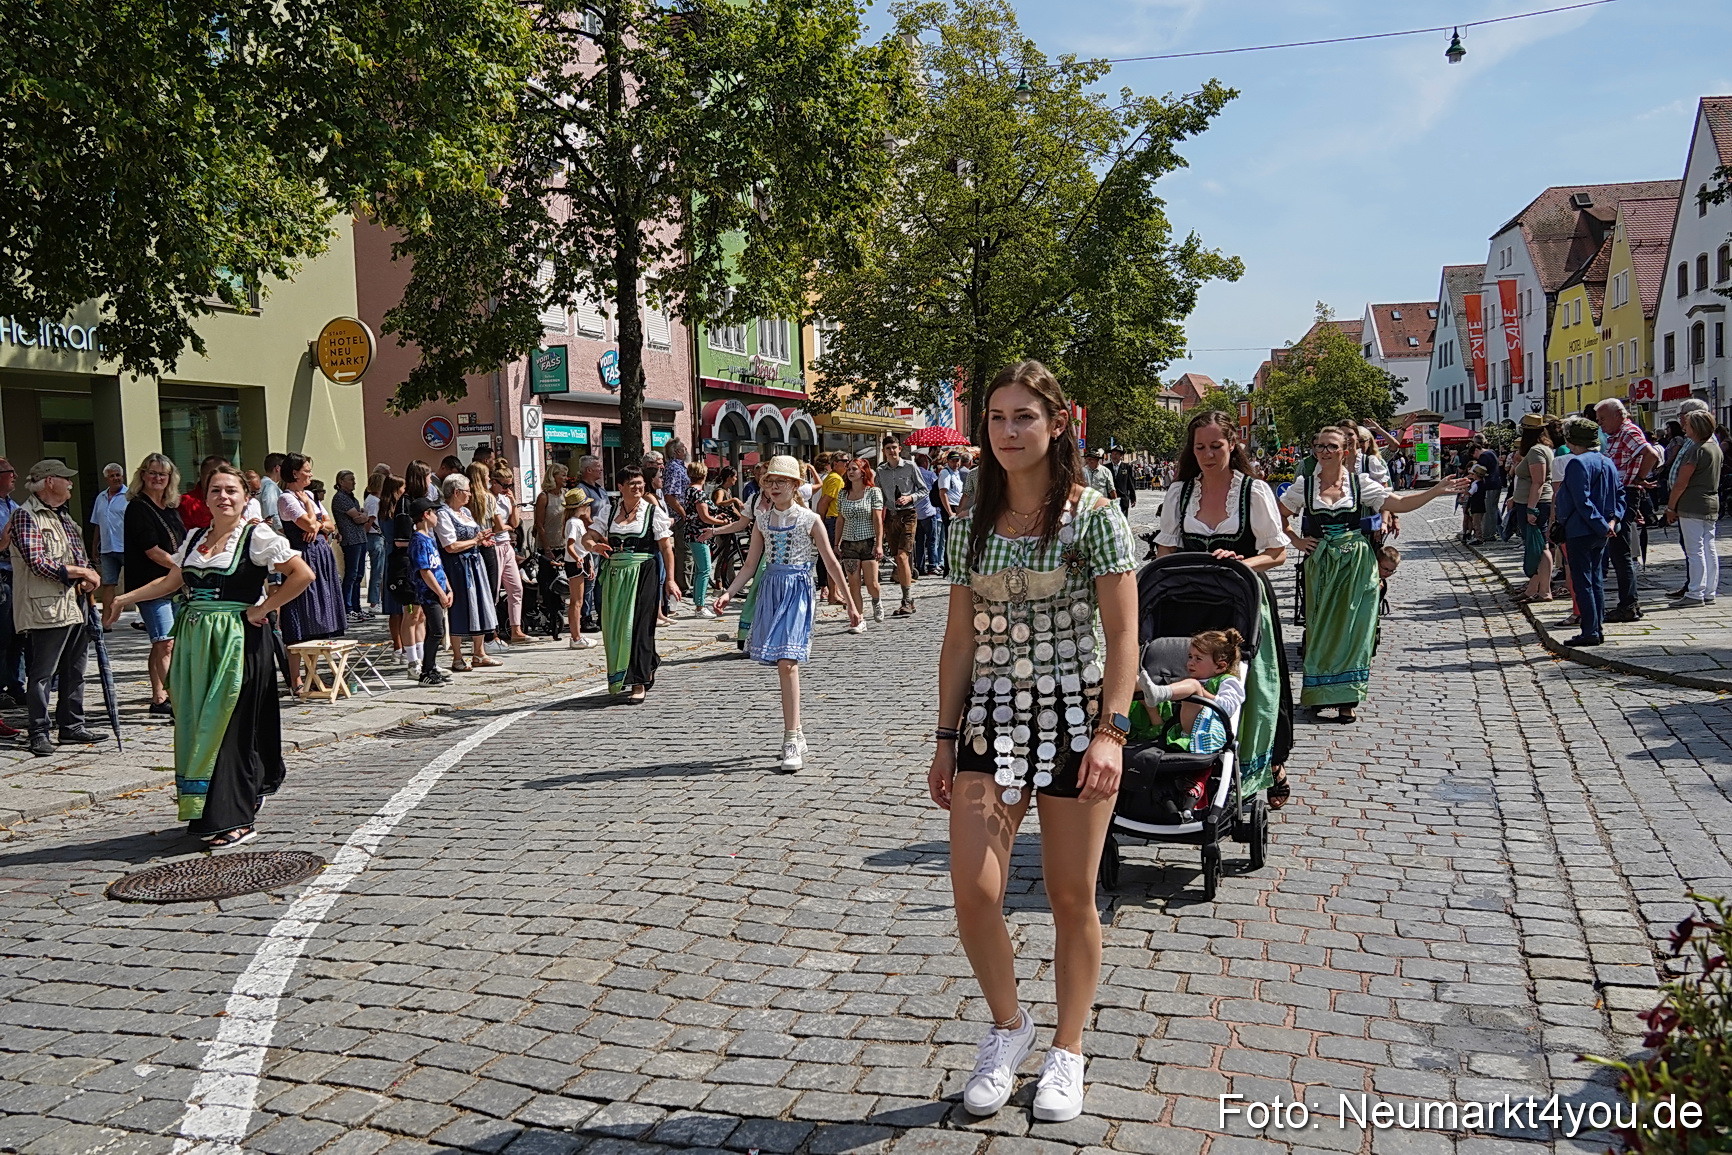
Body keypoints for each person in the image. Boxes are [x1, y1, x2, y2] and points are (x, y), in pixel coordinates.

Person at [929, 361, 1137, 1126]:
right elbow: (959, 640)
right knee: (975, 891)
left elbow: (1123, 634)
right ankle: (1009, 1024)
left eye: (1024, 416)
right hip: (990, 724)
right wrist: (945, 737)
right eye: (996, 417)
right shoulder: (968, 526)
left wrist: (1112, 730)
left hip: (1078, 723)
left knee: (1070, 894)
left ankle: (1068, 1047)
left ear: (1056, 424)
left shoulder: (1094, 517)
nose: (1009, 430)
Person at [104, 466, 313, 845]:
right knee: (199, 724)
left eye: (232, 490)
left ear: (245, 498)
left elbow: (302, 574)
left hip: (239, 642)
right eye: (216, 490)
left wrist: (262, 609)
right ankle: (213, 807)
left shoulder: (256, 535)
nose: (224, 497)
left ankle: (235, 818)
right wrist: (124, 598)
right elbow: (172, 581)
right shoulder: (195, 538)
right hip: (196, 645)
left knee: (229, 725)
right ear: (206, 498)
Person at [1154, 410, 1294, 806]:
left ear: (1233, 444)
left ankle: (1265, 765)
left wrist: (1240, 565)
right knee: (1190, 678)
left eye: (1216, 446)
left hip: (1241, 602)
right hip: (1189, 602)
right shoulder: (1180, 492)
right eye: (1200, 447)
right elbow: (1165, 548)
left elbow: (1277, 552)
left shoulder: (1253, 491)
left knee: (1250, 685)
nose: (1208, 455)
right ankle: (1192, 763)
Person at [1280, 426, 1465, 721]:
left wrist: (1434, 491)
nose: (1325, 451)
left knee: (1355, 628)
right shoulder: (1305, 486)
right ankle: (1318, 694)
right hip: (1322, 564)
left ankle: (1347, 698)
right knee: (1320, 627)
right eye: (1320, 446)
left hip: (1357, 563)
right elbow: (1279, 515)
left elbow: (1399, 503)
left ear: (1344, 452)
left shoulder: (1360, 484)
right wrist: (1297, 541)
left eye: (1332, 446)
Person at [713, 455, 861, 771]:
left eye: (781, 481)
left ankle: (790, 738)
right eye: (770, 481)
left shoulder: (810, 519)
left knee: (787, 662)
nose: (775, 486)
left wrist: (850, 603)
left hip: (798, 591)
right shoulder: (762, 521)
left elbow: (831, 562)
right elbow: (749, 565)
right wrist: (728, 593)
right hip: (771, 589)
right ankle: (798, 731)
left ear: (795, 485)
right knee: (783, 663)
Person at [9, 460, 109, 756]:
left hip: (76, 602)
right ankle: (39, 731)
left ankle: (72, 726)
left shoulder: (64, 516)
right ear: (50, 481)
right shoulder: (25, 516)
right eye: (66, 479)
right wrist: (82, 572)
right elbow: (37, 562)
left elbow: (79, 556)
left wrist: (88, 576)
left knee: (75, 668)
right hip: (47, 606)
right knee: (43, 672)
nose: (71, 483)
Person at [584, 466, 679, 702]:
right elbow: (587, 537)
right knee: (617, 627)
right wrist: (594, 546)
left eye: (640, 483)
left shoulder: (651, 512)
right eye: (632, 483)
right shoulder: (609, 510)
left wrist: (670, 580)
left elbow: (666, 548)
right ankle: (648, 662)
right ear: (620, 487)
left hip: (644, 572)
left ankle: (639, 681)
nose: (637, 487)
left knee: (640, 625)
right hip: (616, 575)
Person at [1132, 628, 1246, 813]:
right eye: (1190, 656)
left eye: (1198, 659)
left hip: (1206, 731)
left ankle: (1158, 693)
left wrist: (1200, 692)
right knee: (1134, 681)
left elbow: (1228, 706)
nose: (1190, 662)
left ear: (1220, 666)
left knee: (1192, 686)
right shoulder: (1190, 681)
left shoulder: (1227, 681)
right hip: (1179, 728)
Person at [123, 454, 187, 718]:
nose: (157, 478)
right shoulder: (137, 507)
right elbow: (151, 550)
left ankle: (159, 697)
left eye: (163, 474)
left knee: (164, 643)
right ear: (143, 475)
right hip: (151, 584)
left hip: (174, 584)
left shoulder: (170, 507)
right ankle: (178, 703)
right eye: (152, 472)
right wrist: (181, 568)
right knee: (165, 642)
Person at [1554, 418, 1624, 646]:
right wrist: (1612, 521)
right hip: (1602, 531)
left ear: (1573, 440)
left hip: (1581, 530)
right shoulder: (1607, 461)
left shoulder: (1577, 463)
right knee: (1596, 580)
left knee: (1583, 581)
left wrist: (1602, 524)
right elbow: (1620, 495)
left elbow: (1581, 501)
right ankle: (1596, 627)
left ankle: (1590, 631)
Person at [275, 454, 346, 667]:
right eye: (306, 470)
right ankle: (297, 676)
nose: (310, 474)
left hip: (321, 556)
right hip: (303, 556)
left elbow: (329, 525)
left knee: (319, 613)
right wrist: (309, 510)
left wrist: (318, 524)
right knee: (301, 613)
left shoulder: (309, 495)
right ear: (295, 473)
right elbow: (308, 525)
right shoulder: (287, 498)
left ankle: (313, 672)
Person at [1594, 399, 1658, 622]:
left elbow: (1651, 454)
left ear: (1618, 415)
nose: (1600, 423)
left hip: (1625, 494)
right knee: (1618, 551)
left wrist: (1638, 478)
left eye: (1602, 419)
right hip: (1620, 495)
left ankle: (1629, 605)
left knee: (1620, 552)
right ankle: (1628, 603)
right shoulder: (1616, 435)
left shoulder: (1628, 431)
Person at [435, 472, 501, 672]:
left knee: (480, 603)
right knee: (461, 606)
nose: (470, 494)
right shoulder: (443, 514)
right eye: (467, 491)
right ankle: (457, 657)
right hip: (457, 566)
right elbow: (450, 546)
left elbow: (473, 538)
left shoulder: (465, 512)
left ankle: (479, 653)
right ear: (456, 492)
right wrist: (475, 540)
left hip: (474, 562)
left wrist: (481, 541)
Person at [1664, 409, 1722, 605]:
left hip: (1692, 503)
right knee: (1709, 547)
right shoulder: (1715, 447)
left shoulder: (1696, 449)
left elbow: (1681, 483)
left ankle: (1695, 592)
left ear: (1696, 427)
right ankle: (1709, 591)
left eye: (1687, 425)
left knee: (1694, 550)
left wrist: (1671, 507)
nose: (1684, 428)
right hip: (1711, 502)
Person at [408, 497, 455, 685]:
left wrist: (448, 589)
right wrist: (440, 594)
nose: (437, 516)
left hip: (439, 591)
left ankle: (432, 666)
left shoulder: (430, 538)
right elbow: (425, 571)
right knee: (436, 631)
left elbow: (439, 568)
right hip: (428, 594)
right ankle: (426, 672)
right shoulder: (418, 540)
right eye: (434, 512)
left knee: (436, 630)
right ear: (426, 515)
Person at [875, 436, 923, 616]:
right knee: (897, 557)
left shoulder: (910, 466)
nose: (892, 451)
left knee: (903, 557)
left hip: (908, 514)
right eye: (888, 448)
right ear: (884, 451)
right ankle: (908, 599)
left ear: (900, 449)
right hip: (891, 516)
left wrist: (910, 497)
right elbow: (878, 495)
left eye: (894, 447)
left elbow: (924, 489)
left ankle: (907, 600)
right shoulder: (881, 471)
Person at [834, 456, 884, 629]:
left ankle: (876, 600)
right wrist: (836, 543)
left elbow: (877, 519)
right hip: (849, 543)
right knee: (854, 585)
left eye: (854, 469)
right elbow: (840, 519)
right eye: (848, 469)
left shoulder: (873, 492)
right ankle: (859, 619)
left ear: (863, 472)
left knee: (872, 584)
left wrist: (879, 544)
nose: (850, 472)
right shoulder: (843, 494)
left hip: (868, 542)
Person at [377, 475, 422, 669]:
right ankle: (403, 648)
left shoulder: (384, 510)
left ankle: (398, 646)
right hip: (397, 557)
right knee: (403, 607)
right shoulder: (397, 512)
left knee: (395, 610)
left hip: (390, 555)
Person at [1511, 415, 1556, 604]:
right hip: (1532, 502)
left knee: (1540, 545)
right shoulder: (1542, 449)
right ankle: (1533, 588)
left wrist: (1531, 509)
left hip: (1536, 504)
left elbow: (1538, 481)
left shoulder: (1536, 451)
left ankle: (1544, 591)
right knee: (1535, 545)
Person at [489, 466, 535, 644]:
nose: (507, 489)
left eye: (510, 485)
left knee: (516, 587)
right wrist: (505, 527)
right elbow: (497, 527)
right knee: (494, 591)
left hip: (506, 544)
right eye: (504, 485)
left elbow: (514, 524)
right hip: (494, 545)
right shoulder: (488, 498)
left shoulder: (505, 498)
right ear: (494, 482)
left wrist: (514, 503)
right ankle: (492, 631)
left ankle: (516, 629)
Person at [331, 470, 372, 622]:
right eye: (351, 479)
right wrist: (363, 516)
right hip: (351, 540)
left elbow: (362, 516)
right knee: (351, 575)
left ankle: (357, 608)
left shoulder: (351, 498)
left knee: (359, 575)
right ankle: (347, 609)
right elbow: (358, 518)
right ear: (341, 481)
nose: (354, 482)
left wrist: (363, 516)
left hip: (360, 538)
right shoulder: (340, 498)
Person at [88, 463, 128, 622]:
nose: (116, 478)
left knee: (135, 584)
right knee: (108, 584)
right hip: (107, 548)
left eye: (118, 475)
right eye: (112, 476)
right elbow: (98, 524)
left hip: (127, 547)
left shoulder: (130, 496)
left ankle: (142, 618)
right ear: (106, 479)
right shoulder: (101, 498)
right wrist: (94, 546)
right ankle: (106, 621)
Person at [0, 458, 25, 708]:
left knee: (19, 634)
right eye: (10, 472)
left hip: (17, 577)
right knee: (2, 636)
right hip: (2, 578)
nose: (15, 476)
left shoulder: (14, 506)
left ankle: (17, 685)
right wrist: (3, 544)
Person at [563, 489, 597, 648]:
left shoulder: (577, 522)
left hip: (582, 560)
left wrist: (589, 564)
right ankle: (576, 637)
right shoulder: (573, 523)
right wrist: (578, 558)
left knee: (579, 601)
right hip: (576, 562)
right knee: (576, 601)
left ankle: (576, 636)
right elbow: (570, 546)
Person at [684, 463, 719, 618]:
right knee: (704, 569)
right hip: (700, 534)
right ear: (704, 475)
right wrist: (722, 523)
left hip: (692, 533)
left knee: (700, 570)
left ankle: (699, 602)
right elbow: (704, 517)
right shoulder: (698, 493)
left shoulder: (689, 490)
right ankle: (700, 607)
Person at [663, 438, 693, 595]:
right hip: (678, 516)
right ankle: (684, 585)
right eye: (684, 448)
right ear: (677, 452)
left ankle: (684, 583)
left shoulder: (680, 467)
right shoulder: (674, 468)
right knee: (684, 552)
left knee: (685, 551)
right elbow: (670, 495)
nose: (686, 450)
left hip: (681, 515)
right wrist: (683, 513)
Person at [913, 452, 941, 577]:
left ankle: (919, 566)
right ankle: (932, 565)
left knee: (919, 542)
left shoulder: (912, 474)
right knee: (932, 540)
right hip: (929, 511)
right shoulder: (930, 475)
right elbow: (937, 489)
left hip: (915, 512)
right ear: (925, 463)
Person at [1109, 447, 1136, 520]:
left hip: (1123, 499)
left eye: (1116, 454)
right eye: (1113, 454)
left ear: (1121, 456)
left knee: (1123, 521)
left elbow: (1130, 483)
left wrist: (1133, 498)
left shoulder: (1127, 467)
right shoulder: (1107, 467)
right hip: (1110, 499)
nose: (1114, 456)